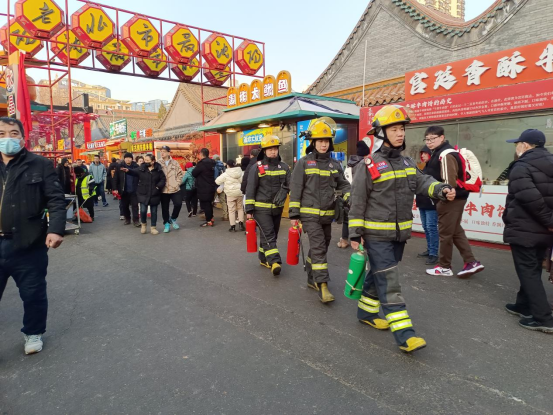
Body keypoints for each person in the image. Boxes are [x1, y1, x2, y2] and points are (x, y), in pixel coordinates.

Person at [349, 105, 455, 353]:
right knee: (389, 280)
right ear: (381, 133)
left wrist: (441, 189)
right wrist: (355, 234)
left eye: (402, 129)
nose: (400, 133)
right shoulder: (369, 164)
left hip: (399, 235)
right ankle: (405, 334)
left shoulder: (406, 162)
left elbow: (422, 181)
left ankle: (366, 312)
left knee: (379, 274)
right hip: (376, 235)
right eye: (394, 129)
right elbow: (358, 200)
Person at [0, 117, 65, 355]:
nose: (7, 138)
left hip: (28, 243)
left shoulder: (40, 164)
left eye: (13, 133)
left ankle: (33, 332)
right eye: (1, 133)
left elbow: (56, 199)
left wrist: (55, 229)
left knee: (33, 293)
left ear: (22, 137)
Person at [289, 118, 351, 301]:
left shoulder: (335, 165)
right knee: (318, 246)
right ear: (313, 142)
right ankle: (322, 285)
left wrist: (350, 197)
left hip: (327, 215)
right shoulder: (304, 163)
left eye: (326, 141)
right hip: (309, 215)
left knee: (321, 247)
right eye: (320, 141)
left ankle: (311, 278)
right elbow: (296, 189)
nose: (324, 144)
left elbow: (344, 185)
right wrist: (294, 214)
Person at [503, 129, 553, 333]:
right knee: (532, 269)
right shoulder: (550, 161)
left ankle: (543, 318)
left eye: (517, 144)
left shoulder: (521, 166)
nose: (516, 147)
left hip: (526, 227)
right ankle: (523, 305)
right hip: (544, 230)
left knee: (528, 271)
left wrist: (550, 220)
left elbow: (529, 198)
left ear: (525, 145)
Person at [423, 126, 484, 278]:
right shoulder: (442, 152)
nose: (429, 142)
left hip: (450, 199)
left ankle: (444, 266)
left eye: (432, 138)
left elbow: (449, 182)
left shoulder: (445, 154)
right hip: (456, 198)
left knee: (445, 234)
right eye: (427, 139)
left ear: (442, 137)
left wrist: (445, 195)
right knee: (456, 231)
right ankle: (471, 262)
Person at [245, 137, 291, 276]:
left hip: (277, 208)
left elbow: (290, 185)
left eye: (275, 148)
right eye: (270, 149)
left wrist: (286, 193)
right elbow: (250, 188)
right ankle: (275, 262)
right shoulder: (257, 167)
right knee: (269, 233)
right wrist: (249, 209)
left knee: (271, 234)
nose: (273, 151)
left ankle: (263, 258)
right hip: (261, 208)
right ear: (264, 151)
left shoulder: (284, 167)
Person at [339, 140, 371, 249]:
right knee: (360, 217)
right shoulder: (365, 164)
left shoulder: (349, 163)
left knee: (347, 219)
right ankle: (360, 240)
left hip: (347, 194)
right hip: (359, 195)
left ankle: (343, 240)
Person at [127, 153, 166, 235]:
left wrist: (158, 187)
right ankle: (143, 225)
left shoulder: (158, 169)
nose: (146, 162)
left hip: (154, 193)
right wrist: (128, 171)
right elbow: (134, 172)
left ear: (153, 161)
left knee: (154, 212)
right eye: (145, 160)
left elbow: (163, 179)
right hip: (143, 192)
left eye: (148, 160)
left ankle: (153, 228)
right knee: (143, 210)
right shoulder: (142, 168)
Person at [415, 146, 438, 265]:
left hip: (431, 203)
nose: (423, 156)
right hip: (422, 203)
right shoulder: (424, 167)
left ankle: (434, 253)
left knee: (431, 227)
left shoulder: (435, 167)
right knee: (426, 227)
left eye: (425, 153)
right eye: (421, 154)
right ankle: (430, 250)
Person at [159, 146, 184, 233]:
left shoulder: (175, 163)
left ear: (169, 153)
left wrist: (177, 183)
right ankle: (166, 223)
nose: (162, 153)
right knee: (164, 208)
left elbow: (180, 174)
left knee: (178, 204)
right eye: (161, 151)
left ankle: (173, 218)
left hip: (175, 188)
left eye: (164, 151)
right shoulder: (158, 163)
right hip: (163, 189)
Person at [216, 159, 245, 232]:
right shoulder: (240, 172)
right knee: (240, 208)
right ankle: (241, 224)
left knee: (231, 210)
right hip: (239, 192)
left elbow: (217, 181)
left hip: (230, 193)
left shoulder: (226, 174)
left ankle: (233, 226)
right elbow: (243, 181)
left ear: (228, 165)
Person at [113, 152, 140, 226]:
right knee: (124, 206)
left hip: (134, 189)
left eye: (129, 158)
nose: (128, 159)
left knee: (135, 206)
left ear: (132, 159)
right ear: (124, 159)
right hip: (124, 190)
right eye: (126, 158)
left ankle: (136, 220)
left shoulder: (136, 166)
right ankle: (127, 219)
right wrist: (115, 188)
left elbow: (139, 176)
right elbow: (115, 178)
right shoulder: (120, 167)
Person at [192, 148, 217, 227]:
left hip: (203, 186)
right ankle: (211, 218)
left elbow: (194, 173)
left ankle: (208, 220)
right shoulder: (213, 163)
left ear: (201, 154)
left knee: (206, 204)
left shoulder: (201, 164)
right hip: (211, 185)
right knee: (209, 203)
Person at [213, 154, 228, 221]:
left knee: (211, 200)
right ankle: (225, 216)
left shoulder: (214, 166)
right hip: (222, 186)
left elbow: (215, 177)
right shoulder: (223, 166)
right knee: (223, 201)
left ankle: (210, 216)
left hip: (215, 186)